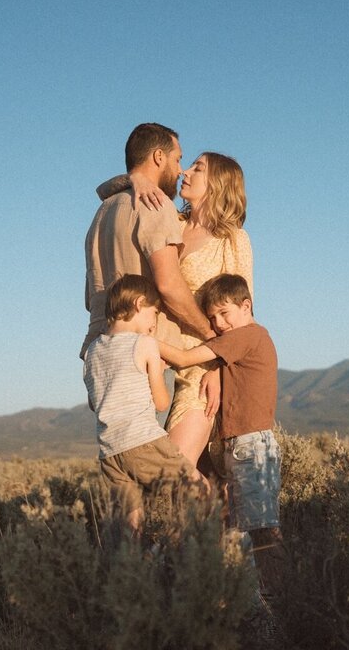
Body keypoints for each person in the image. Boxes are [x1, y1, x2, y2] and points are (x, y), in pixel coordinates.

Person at [98, 151, 253, 472]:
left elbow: (243, 319)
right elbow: (105, 191)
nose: (184, 171)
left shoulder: (234, 240)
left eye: (198, 168)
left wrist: (219, 370)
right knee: (144, 468)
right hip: (154, 357)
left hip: (202, 366)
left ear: (218, 183)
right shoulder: (169, 220)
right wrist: (137, 178)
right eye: (188, 164)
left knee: (176, 468)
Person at [156, 273, 283, 595]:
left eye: (224, 313)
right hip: (238, 445)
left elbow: (185, 358)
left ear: (246, 305)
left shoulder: (246, 336)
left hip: (251, 445)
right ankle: (253, 595)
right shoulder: (244, 339)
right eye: (212, 317)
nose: (218, 323)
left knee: (262, 529)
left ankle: (282, 594)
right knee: (242, 527)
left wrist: (143, 343)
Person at [82, 123, 214, 367]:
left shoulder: (102, 212)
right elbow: (168, 284)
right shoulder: (156, 204)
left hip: (100, 354)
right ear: (158, 156)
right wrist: (209, 333)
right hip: (148, 355)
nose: (180, 171)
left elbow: (90, 298)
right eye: (177, 160)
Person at [83, 274, 201, 534]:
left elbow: (94, 404)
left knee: (131, 525)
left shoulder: (92, 351)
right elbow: (161, 403)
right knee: (199, 489)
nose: (154, 321)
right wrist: (156, 369)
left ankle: (134, 571)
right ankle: (200, 559)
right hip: (144, 443)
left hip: (110, 453)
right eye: (154, 312)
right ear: (139, 304)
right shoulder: (145, 344)